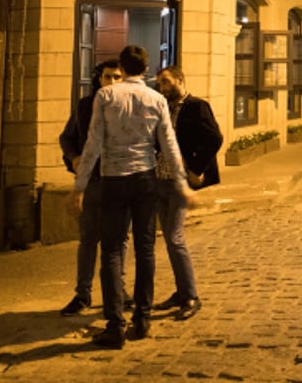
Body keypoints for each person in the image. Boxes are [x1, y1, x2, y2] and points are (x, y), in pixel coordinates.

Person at [72, 45, 196, 348]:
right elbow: (169, 144)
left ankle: (115, 325)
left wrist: (80, 185)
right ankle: (142, 318)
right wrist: (182, 184)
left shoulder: (105, 96)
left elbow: (93, 143)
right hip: (145, 178)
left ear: (123, 68)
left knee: (112, 250)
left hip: (114, 178)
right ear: (145, 67)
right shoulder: (156, 98)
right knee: (145, 249)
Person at [58, 59, 130, 316]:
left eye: (117, 77)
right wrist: (74, 157)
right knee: (89, 238)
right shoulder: (85, 106)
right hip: (93, 182)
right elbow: (66, 137)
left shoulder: (131, 105)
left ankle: (118, 290)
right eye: (107, 77)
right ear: (98, 80)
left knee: (120, 240)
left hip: (120, 181)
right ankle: (83, 293)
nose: (112, 82)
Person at [154, 65, 224, 321]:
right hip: (159, 177)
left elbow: (214, 138)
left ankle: (192, 296)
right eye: (159, 83)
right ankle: (181, 292)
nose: (162, 87)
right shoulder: (162, 107)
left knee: (175, 237)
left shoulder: (197, 106)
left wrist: (197, 167)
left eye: (166, 81)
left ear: (180, 80)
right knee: (169, 238)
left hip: (180, 182)